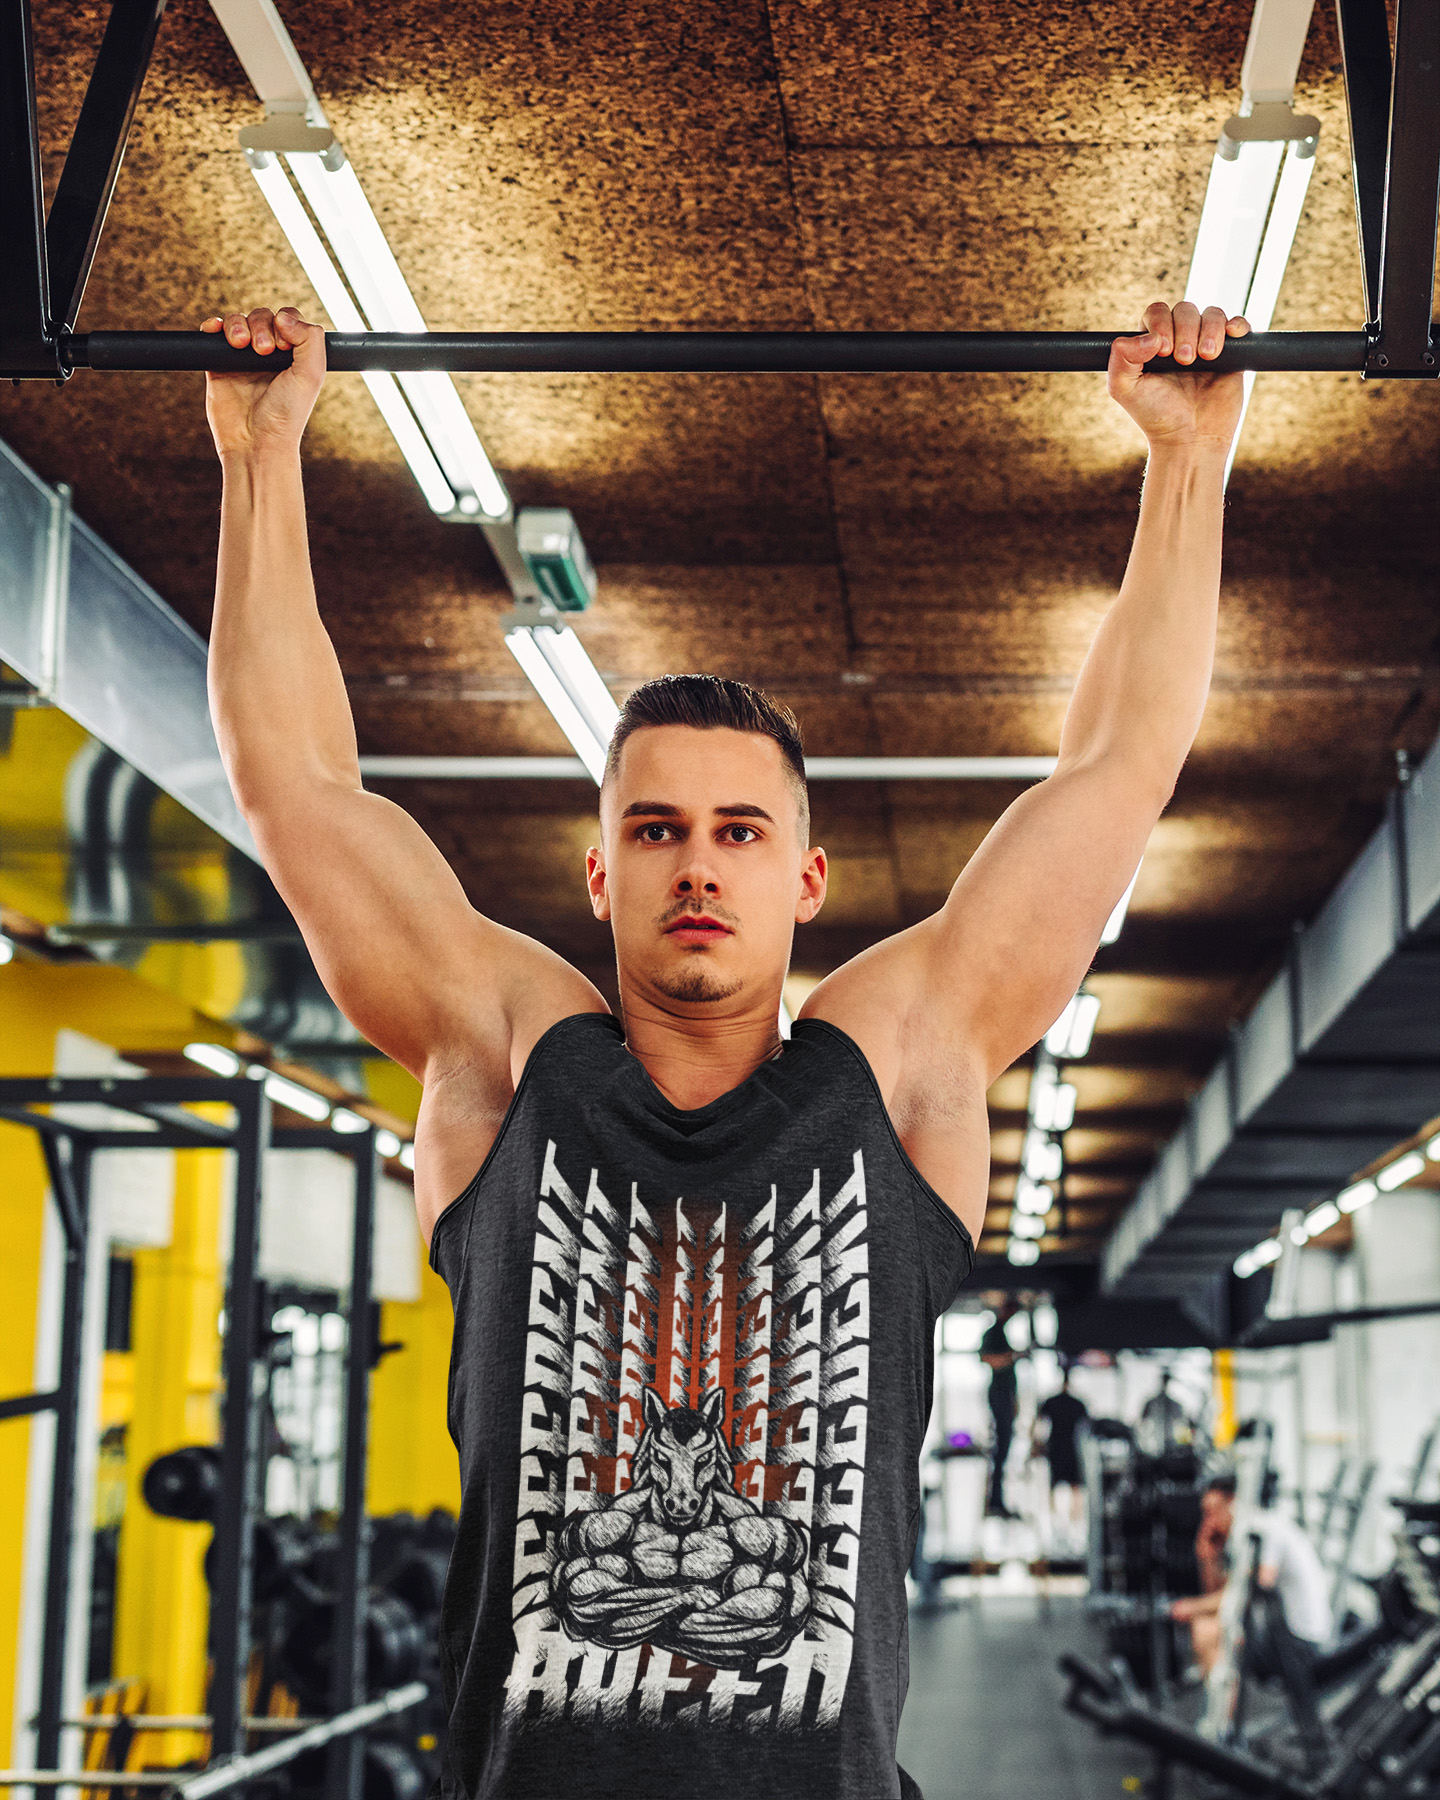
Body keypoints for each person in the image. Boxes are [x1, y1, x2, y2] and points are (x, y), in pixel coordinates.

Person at [202, 296, 1250, 1800]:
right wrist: (259, 452)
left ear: (804, 879)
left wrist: (1187, 467)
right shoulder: (505, 1063)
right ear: (602, 874)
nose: (699, 866)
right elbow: (296, 787)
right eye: (659, 830)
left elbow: (1117, 771)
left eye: (741, 832)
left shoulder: (895, 1072)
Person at [1172, 1474, 1333, 1680]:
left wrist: (1191, 1607)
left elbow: (1245, 1595)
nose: (1208, 1522)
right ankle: (1223, 1705)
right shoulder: (1240, 1537)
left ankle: (1224, 1712)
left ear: (1232, 1504)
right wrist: (1206, 1557)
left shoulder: (1263, 1530)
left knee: (1207, 1631)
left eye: (1212, 1512)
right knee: (1209, 1624)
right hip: (1280, 1634)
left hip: (1301, 1641)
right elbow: (1219, 1592)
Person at [1034, 1365, 1090, 1536]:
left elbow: (1038, 1424)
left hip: (1061, 1448)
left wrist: (1036, 1443)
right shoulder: (1075, 1404)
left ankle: (1067, 1524)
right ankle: (1065, 1524)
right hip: (1065, 1448)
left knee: (1065, 1487)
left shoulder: (1056, 1402)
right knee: (1069, 1487)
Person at [979, 1302, 1021, 1518]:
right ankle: (995, 1501)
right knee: (1000, 1450)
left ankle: (998, 1500)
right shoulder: (993, 1333)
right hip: (999, 1396)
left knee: (1004, 1450)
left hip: (1005, 1397)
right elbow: (987, 1359)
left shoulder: (1002, 1332)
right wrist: (1012, 1357)